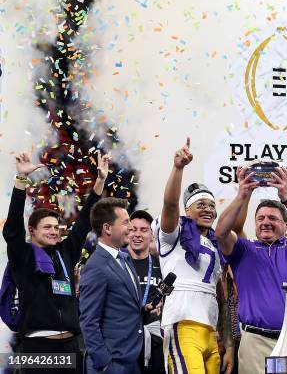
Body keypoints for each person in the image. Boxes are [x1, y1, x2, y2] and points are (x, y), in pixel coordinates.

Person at [1, 150, 108, 374]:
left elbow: (85, 220)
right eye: (47, 227)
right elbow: (11, 230)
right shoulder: (23, 255)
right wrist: (21, 181)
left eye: (57, 228)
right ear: (32, 230)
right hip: (37, 347)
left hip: (70, 346)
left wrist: (100, 181)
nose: (54, 232)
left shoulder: (65, 252)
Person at [215, 166, 287, 374]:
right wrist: (241, 195)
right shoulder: (244, 249)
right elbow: (221, 232)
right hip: (255, 342)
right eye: (260, 218)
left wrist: (285, 197)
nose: (265, 223)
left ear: (286, 224)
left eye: (272, 218)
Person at [156, 138, 234, 374]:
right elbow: (170, 205)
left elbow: (222, 297)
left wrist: (229, 344)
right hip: (182, 324)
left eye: (211, 205)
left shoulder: (216, 244)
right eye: (200, 204)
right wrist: (178, 168)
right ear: (187, 210)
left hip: (210, 331)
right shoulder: (175, 234)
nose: (208, 209)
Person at [79, 197, 144, 374]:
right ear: (107, 228)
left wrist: (144, 310)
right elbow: (88, 321)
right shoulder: (95, 266)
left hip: (131, 359)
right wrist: (104, 362)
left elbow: (122, 304)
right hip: (111, 364)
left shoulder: (124, 258)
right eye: (125, 222)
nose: (131, 227)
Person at [127, 210, 164, 374]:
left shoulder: (162, 265)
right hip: (125, 338)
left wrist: (165, 305)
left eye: (143, 230)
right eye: (133, 229)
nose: (137, 234)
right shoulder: (117, 264)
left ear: (152, 235)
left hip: (155, 339)